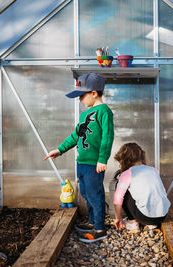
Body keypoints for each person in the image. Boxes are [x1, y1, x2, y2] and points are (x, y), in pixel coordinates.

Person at [44, 72, 114, 243]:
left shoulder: (104, 111)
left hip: (93, 164)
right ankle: (92, 222)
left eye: (81, 96)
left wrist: (102, 159)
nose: (79, 99)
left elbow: (107, 136)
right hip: (81, 162)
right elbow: (75, 136)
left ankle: (99, 228)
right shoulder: (84, 115)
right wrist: (59, 150)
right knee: (85, 193)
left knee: (95, 194)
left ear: (94, 93)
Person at [113, 143, 170, 233]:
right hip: (163, 215)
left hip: (144, 217)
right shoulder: (153, 170)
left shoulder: (127, 173)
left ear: (124, 159)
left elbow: (118, 198)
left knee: (120, 188)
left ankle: (132, 222)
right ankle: (152, 224)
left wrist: (118, 217)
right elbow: (163, 192)